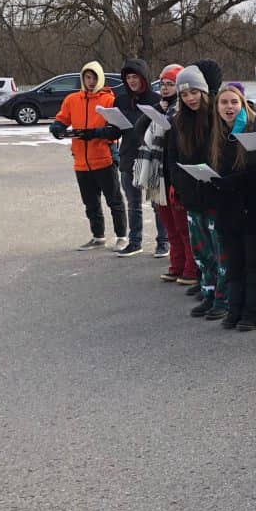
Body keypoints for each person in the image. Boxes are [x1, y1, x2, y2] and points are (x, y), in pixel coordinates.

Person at [165, 65, 230, 320]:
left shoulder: (216, 119)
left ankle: (224, 298)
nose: (190, 98)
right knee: (201, 250)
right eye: (184, 95)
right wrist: (180, 186)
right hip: (192, 197)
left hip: (214, 195)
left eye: (194, 92)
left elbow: (222, 156)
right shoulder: (178, 122)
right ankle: (208, 290)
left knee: (219, 250)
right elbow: (172, 159)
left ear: (203, 92)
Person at [208, 83, 256, 331]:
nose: (229, 107)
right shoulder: (215, 134)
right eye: (224, 102)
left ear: (242, 104)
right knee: (234, 262)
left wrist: (233, 181)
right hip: (227, 208)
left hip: (252, 205)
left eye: (233, 102)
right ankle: (236, 308)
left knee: (254, 262)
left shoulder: (253, 128)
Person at [49, 61, 127, 251]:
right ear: (83, 79)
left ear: (100, 79)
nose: (91, 82)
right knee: (90, 203)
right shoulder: (72, 99)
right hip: (81, 161)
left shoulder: (108, 99)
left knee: (114, 200)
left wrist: (94, 133)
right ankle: (98, 236)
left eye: (94, 78)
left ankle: (122, 236)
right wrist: (57, 128)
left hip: (104, 158)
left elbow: (115, 129)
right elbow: (62, 119)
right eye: (87, 78)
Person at [92, 59, 167, 257]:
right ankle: (135, 242)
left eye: (135, 77)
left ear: (144, 77)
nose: (132, 81)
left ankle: (163, 242)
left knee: (157, 202)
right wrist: (103, 130)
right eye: (128, 77)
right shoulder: (121, 100)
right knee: (133, 204)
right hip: (128, 155)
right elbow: (116, 131)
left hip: (151, 155)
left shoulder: (156, 99)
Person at [133, 64, 200, 287]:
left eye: (170, 84)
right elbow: (139, 130)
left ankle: (191, 266)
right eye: (162, 84)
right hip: (157, 175)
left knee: (183, 227)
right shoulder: (160, 107)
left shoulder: (183, 110)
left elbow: (179, 144)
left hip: (174, 176)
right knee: (170, 226)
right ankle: (176, 263)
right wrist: (157, 111)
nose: (164, 88)